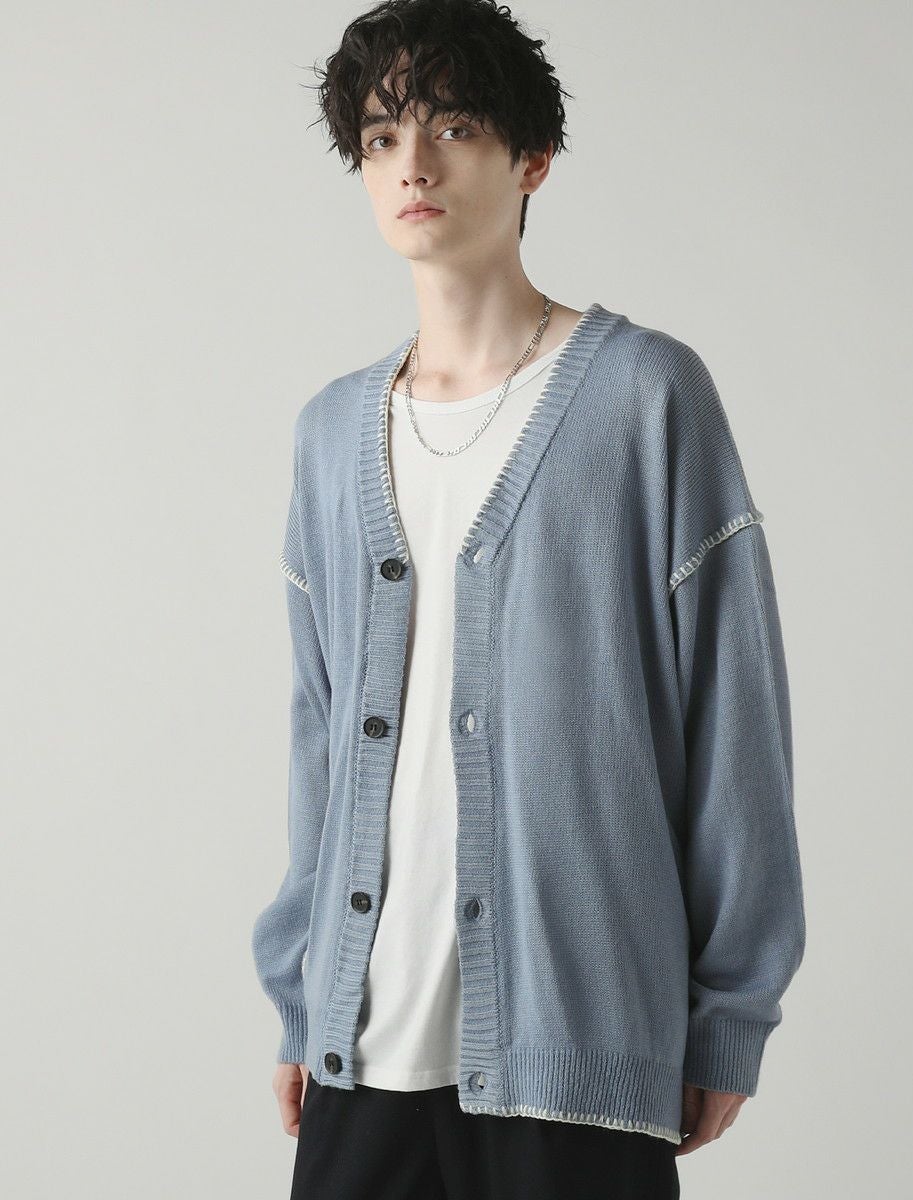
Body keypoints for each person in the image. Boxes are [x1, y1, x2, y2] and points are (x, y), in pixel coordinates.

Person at [250, 2, 807, 1196]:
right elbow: (318, 736)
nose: (414, 163)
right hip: (364, 1044)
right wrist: (304, 996)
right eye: (383, 136)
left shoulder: (646, 396)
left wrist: (728, 1014)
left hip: (578, 1045)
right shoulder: (328, 434)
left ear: (532, 160)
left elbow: (735, 718)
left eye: (453, 127)